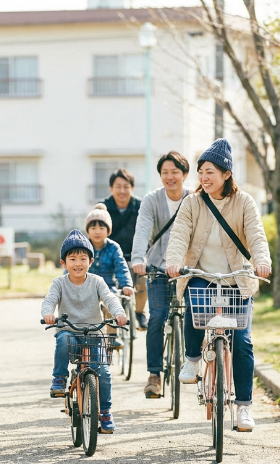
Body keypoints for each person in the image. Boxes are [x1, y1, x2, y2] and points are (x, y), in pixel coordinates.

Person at [165, 139, 271, 432]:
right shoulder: (192, 202)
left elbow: (256, 235)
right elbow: (179, 236)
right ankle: (192, 359)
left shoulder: (244, 202)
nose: (204, 177)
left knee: (243, 342)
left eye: (210, 171)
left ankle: (244, 407)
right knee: (194, 305)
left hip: (237, 278)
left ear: (226, 174)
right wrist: (173, 262)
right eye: (201, 172)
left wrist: (262, 261)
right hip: (201, 273)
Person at [42, 230, 128, 434]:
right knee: (63, 340)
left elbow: (109, 298)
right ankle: (59, 378)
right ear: (63, 263)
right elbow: (49, 300)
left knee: (104, 373)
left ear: (91, 261)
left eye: (83, 258)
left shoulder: (97, 281)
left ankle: (105, 412)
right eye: (72, 259)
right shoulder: (59, 283)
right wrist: (48, 313)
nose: (78, 263)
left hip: (94, 335)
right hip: (69, 331)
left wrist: (119, 313)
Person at [131, 151, 191, 398]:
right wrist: (138, 259)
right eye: (165, 172)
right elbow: (142, 230)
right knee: (156, 317)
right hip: (157, 267)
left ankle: (194, 362)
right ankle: (154, 374)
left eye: (175, 172)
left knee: (196, 315)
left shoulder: (195, 199)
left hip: (188, 270)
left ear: (184, 174)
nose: (170, 177)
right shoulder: (151, 200)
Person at [101, 169, 148, 330]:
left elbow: (148, 232)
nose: (122, 191)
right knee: (109, 291)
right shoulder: (104, 207)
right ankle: (111, 334)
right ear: (111, 188)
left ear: (132, 188)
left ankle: (139, 312)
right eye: (118, 186)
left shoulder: (141, 206)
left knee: (143, 280)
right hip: (111, 255)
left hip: (135, 254)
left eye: (126, 186)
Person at [85, 204, 133, 347]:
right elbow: (73, 267)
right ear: (87, 231)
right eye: (93, 228)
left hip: (108, 286)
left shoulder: (113, 247)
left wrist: (126, 284)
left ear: (108, 231)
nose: (97, 231)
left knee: (111, 301)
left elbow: (121, 267)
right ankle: (85, 336)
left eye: (101, 228)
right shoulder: (83, 247)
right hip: (87, 285)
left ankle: (112, 336)